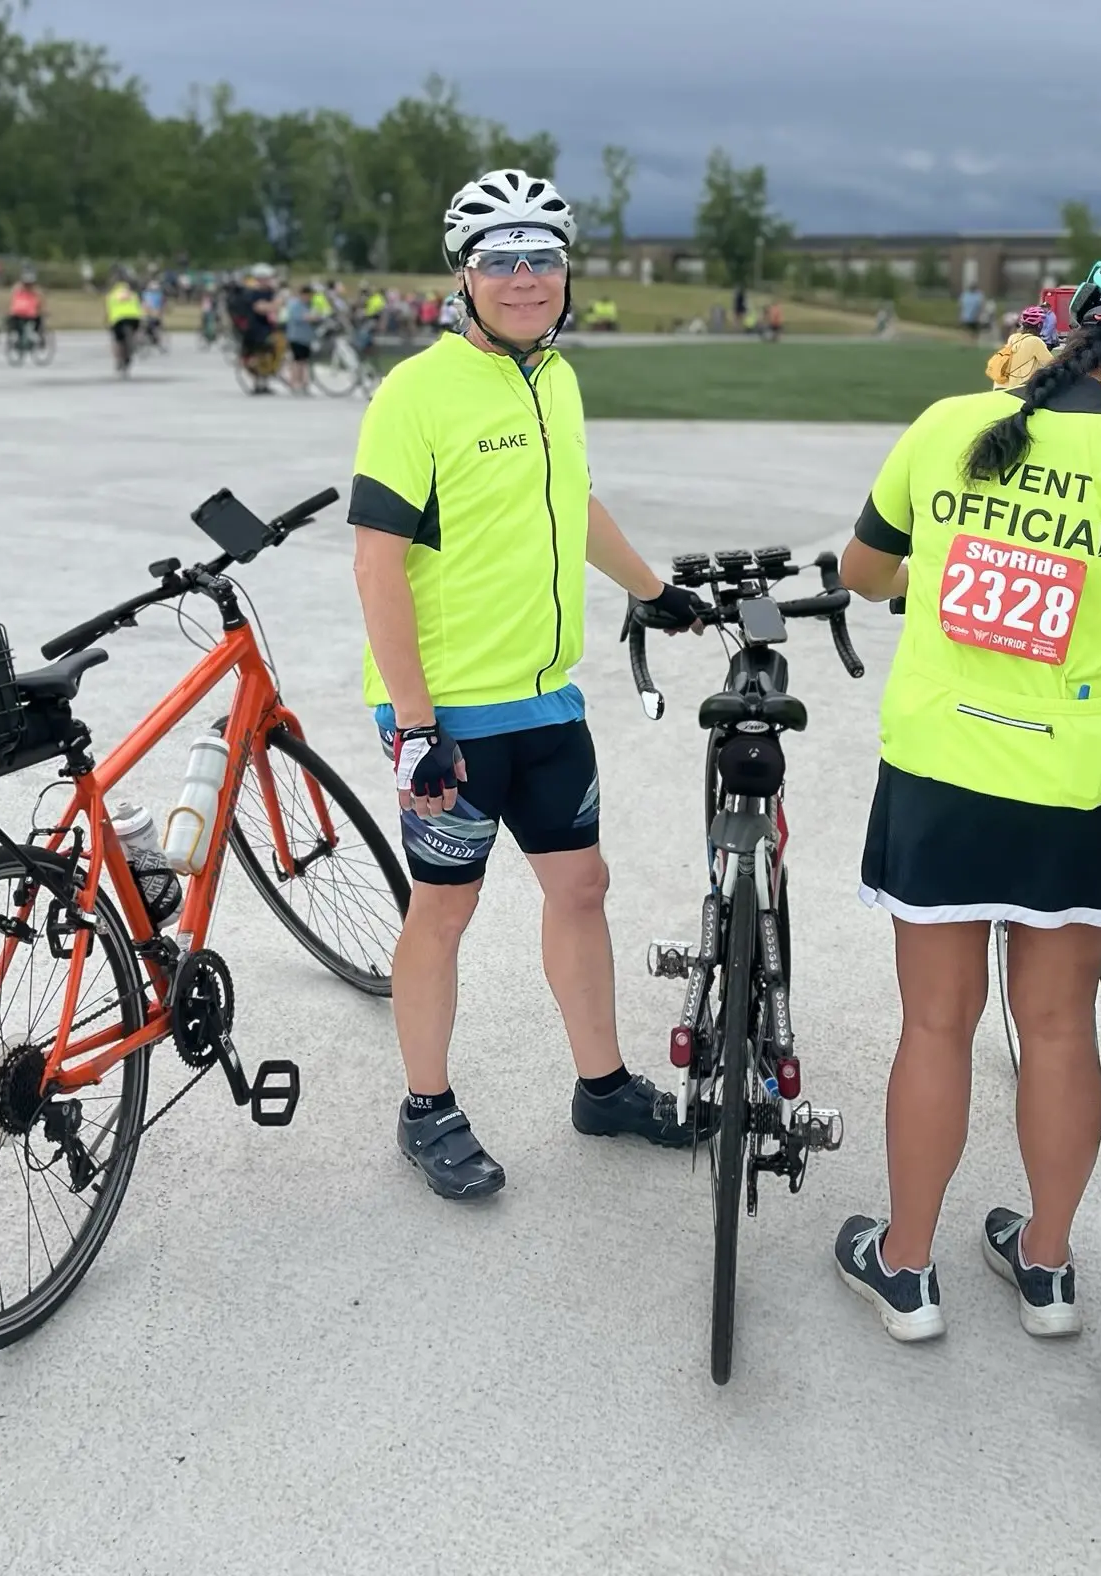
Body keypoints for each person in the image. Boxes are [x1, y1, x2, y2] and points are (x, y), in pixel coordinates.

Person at [832, 244, 1101, 1342]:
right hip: (1074, 787)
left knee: (935, 1025)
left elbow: (860, 574)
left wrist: (950, 572)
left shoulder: (943, 427)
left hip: (940, 775)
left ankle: (908, 1268)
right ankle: (1047, 1268)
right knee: (1057, 1029)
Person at [348, 168, 715, 1202]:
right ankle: (427, 1106)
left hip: (548, 700)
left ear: (564, 272)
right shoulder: (415, 392)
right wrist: (414, 723)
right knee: (445, 908)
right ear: (465, 275)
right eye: (500, 260)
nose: (523, 278)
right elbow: (376, 562)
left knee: (581, 886)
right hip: (452, 715)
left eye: (541, 258)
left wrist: (652, 591)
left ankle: (600, 1085)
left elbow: (573, 500)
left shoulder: (555, 379)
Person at [985, 305, 1054, 389]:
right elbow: (1051, 364)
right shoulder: (1036, 341)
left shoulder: (1013, 338)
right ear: (1039, 325)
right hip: (1016, 389)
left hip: (1000, 385)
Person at [104, 273, 143, 371]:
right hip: (134, 318)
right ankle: (134, 343)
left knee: (117, 341)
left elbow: (109, 310)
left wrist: (107, 321)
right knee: (134, 332)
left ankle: (118, 359)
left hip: (118, 319)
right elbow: (139, 306)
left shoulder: (111, 295)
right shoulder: (133, 294)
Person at [283, 282, 316, 392]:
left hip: (306, 338)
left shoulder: (309, 305)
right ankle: (294, 383)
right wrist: (311, 317)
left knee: (304, 361)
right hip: (296, 337)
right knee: (297, 361)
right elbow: (299, 317)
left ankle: (303, 382)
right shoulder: (295, 305)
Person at [7, 269, 44, 346]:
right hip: (29, 314)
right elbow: (39, 302)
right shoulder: (35, 291)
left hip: (18, 313)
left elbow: (12, 300)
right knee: (38, 320)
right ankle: (36, 335)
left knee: (13, 322)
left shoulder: (17, 289)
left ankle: (17, 335)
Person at [141, 274, 166, 347]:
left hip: (154, 314)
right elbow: (144, 304)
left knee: (154, 325)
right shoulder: (146, 294)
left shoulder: (159, 295)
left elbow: (161, 306)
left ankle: (155, 339)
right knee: (146, 326)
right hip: (148, 313)